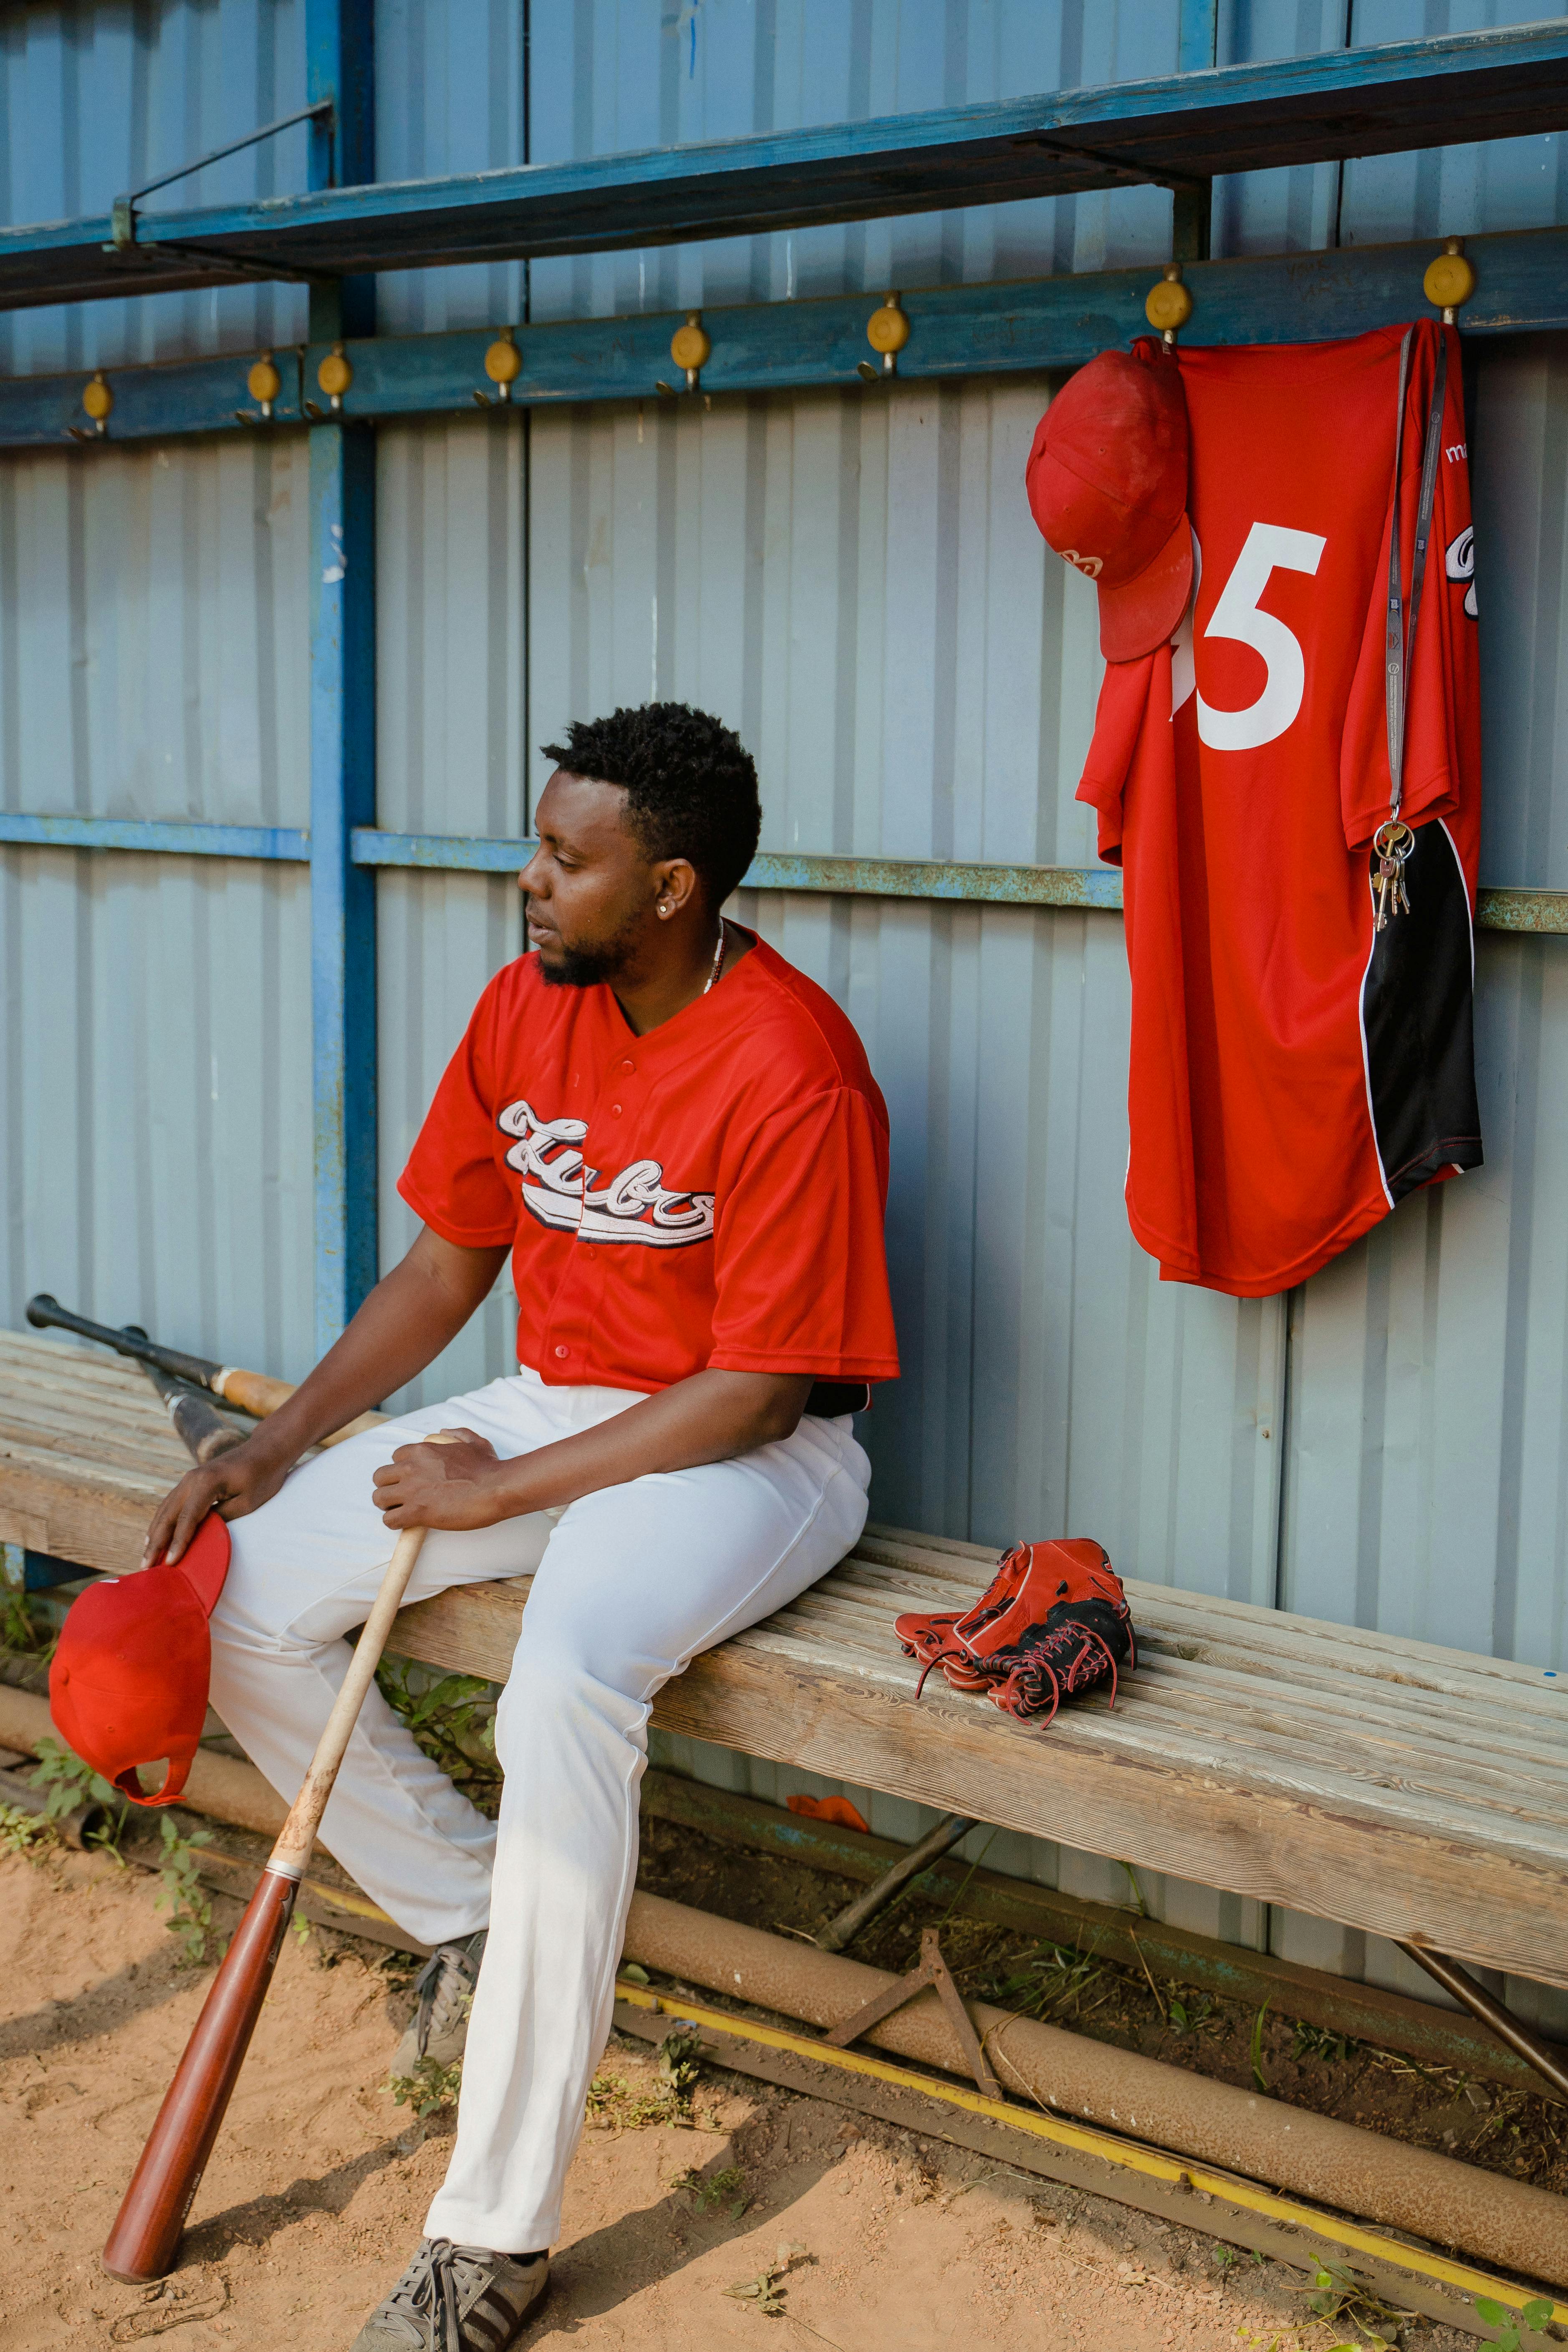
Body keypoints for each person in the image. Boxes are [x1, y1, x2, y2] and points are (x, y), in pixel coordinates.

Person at [143, 701, 900, 2352]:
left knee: (560, 1684)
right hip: (564, 1399)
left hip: (748, 1457)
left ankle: (492, 2240)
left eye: (568, 858)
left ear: (675, 884)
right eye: (536, 843)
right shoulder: (523, 1006)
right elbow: (442, 1266)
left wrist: (487, 1492)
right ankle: (482, 1914)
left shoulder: (793, 1065)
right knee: (240, 1596)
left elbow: (762, 1390)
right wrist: (274, 1444)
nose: (527, 880)